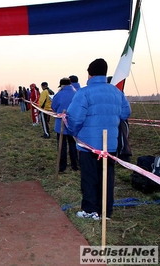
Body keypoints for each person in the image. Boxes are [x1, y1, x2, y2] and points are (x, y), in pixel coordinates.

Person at [67, 58, 131, 220]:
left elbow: (74, 118)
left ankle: (90, 210)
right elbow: (125, 113)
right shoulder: (117, 92)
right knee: (107, 178)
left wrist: (74, 132)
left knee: (89, 178)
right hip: (110, 145)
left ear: (90, 74)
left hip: (87, 145)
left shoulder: (84, 93)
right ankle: (105, 212)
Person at [51, 78, 78, 172]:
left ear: (62, 85)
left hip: (60, 124)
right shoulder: (76, 93)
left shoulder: (59, 94)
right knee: (73, 144)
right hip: (73, 123)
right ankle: (75, 164)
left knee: (61, 145)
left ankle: (62, 166)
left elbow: (53, 107)